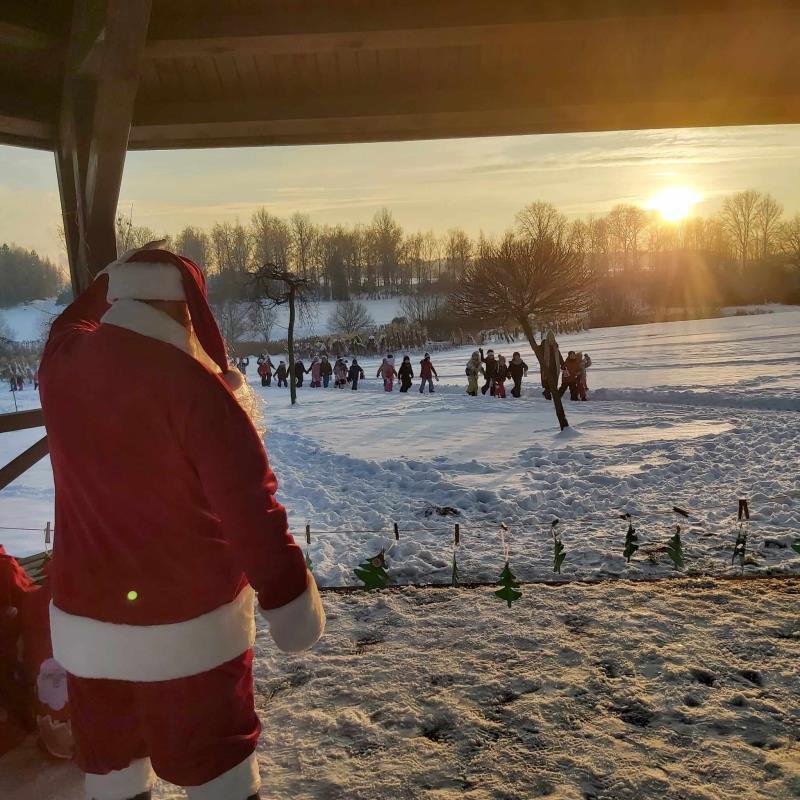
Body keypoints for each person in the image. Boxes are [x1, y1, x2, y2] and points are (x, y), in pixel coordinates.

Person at [38, 245, 325, 800]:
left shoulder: (63, 363)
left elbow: (67, 322)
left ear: (120, 297)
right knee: (218, 772)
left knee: (114, 772)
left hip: (86, 629)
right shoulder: (196, 389)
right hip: (190, 633)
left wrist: (106, 282)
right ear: (186, 311)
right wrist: (289, 598)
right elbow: (251, 510)